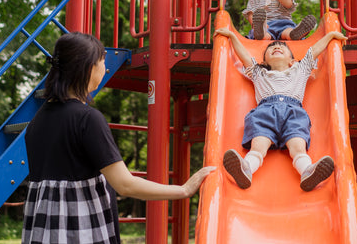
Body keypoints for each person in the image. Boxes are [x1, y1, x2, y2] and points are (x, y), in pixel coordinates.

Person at [23, 32, 215, 244]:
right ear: (88, 68)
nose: (105, 69)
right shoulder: (87, 119)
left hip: (42, 233)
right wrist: (184, 189)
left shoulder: (37, 121)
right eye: (101, 62)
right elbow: (125, 184)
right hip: (80, 231)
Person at [214, 25, 346, 191]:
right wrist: (232, 37)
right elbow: (245, 56)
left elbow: (313, 51)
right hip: (265, 113)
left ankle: (307, 171)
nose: (276, 46)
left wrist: (330, 36)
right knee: (258, 146)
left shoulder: (300, 69)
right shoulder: (258, 72)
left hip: (294, 113)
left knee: (298, 147)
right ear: (264, 61)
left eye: (282, 47)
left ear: (292, 60)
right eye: (271, 48)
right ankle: (246, 169)